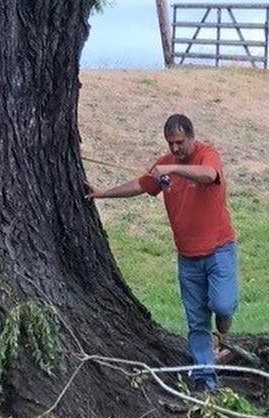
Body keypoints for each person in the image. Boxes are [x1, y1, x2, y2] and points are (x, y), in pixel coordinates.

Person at [85, 112, 239, 393]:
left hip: (219, 251)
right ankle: (206, 378)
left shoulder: (207, 155)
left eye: (179, 142)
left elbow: (210, 175)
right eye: (170, 143)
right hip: (188, 257)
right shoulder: (164, 165)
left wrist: (174, 170)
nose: (175, 149)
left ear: (191, 136)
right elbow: (140, 185)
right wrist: (103, 193)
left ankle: (224, 332)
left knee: (223, 306)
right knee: (196, 321)